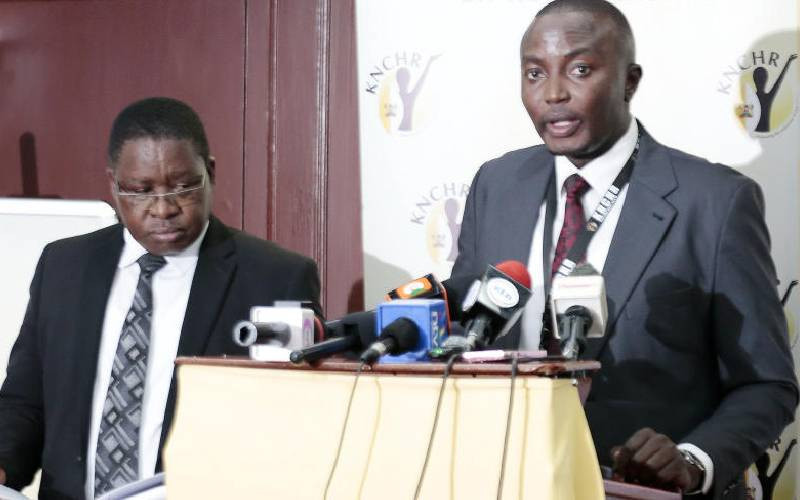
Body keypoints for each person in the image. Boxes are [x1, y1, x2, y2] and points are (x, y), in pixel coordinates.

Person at [450, 1, 798, 497]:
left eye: (580, 70)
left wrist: (692, 461)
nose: (553, 93)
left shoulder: (715, 202)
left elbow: (767, 384)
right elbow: (466, 331)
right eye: (534, 73)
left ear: (629, 82)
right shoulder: (496, 184)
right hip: (507, 481)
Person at [0, 97, 322, 499]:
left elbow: (292, 424)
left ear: (210, 172)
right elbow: (25, 400)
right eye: (141, 190)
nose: (164, 208)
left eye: (183, 186)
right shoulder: (64, 267)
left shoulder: (275, 279)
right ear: (114, 184)